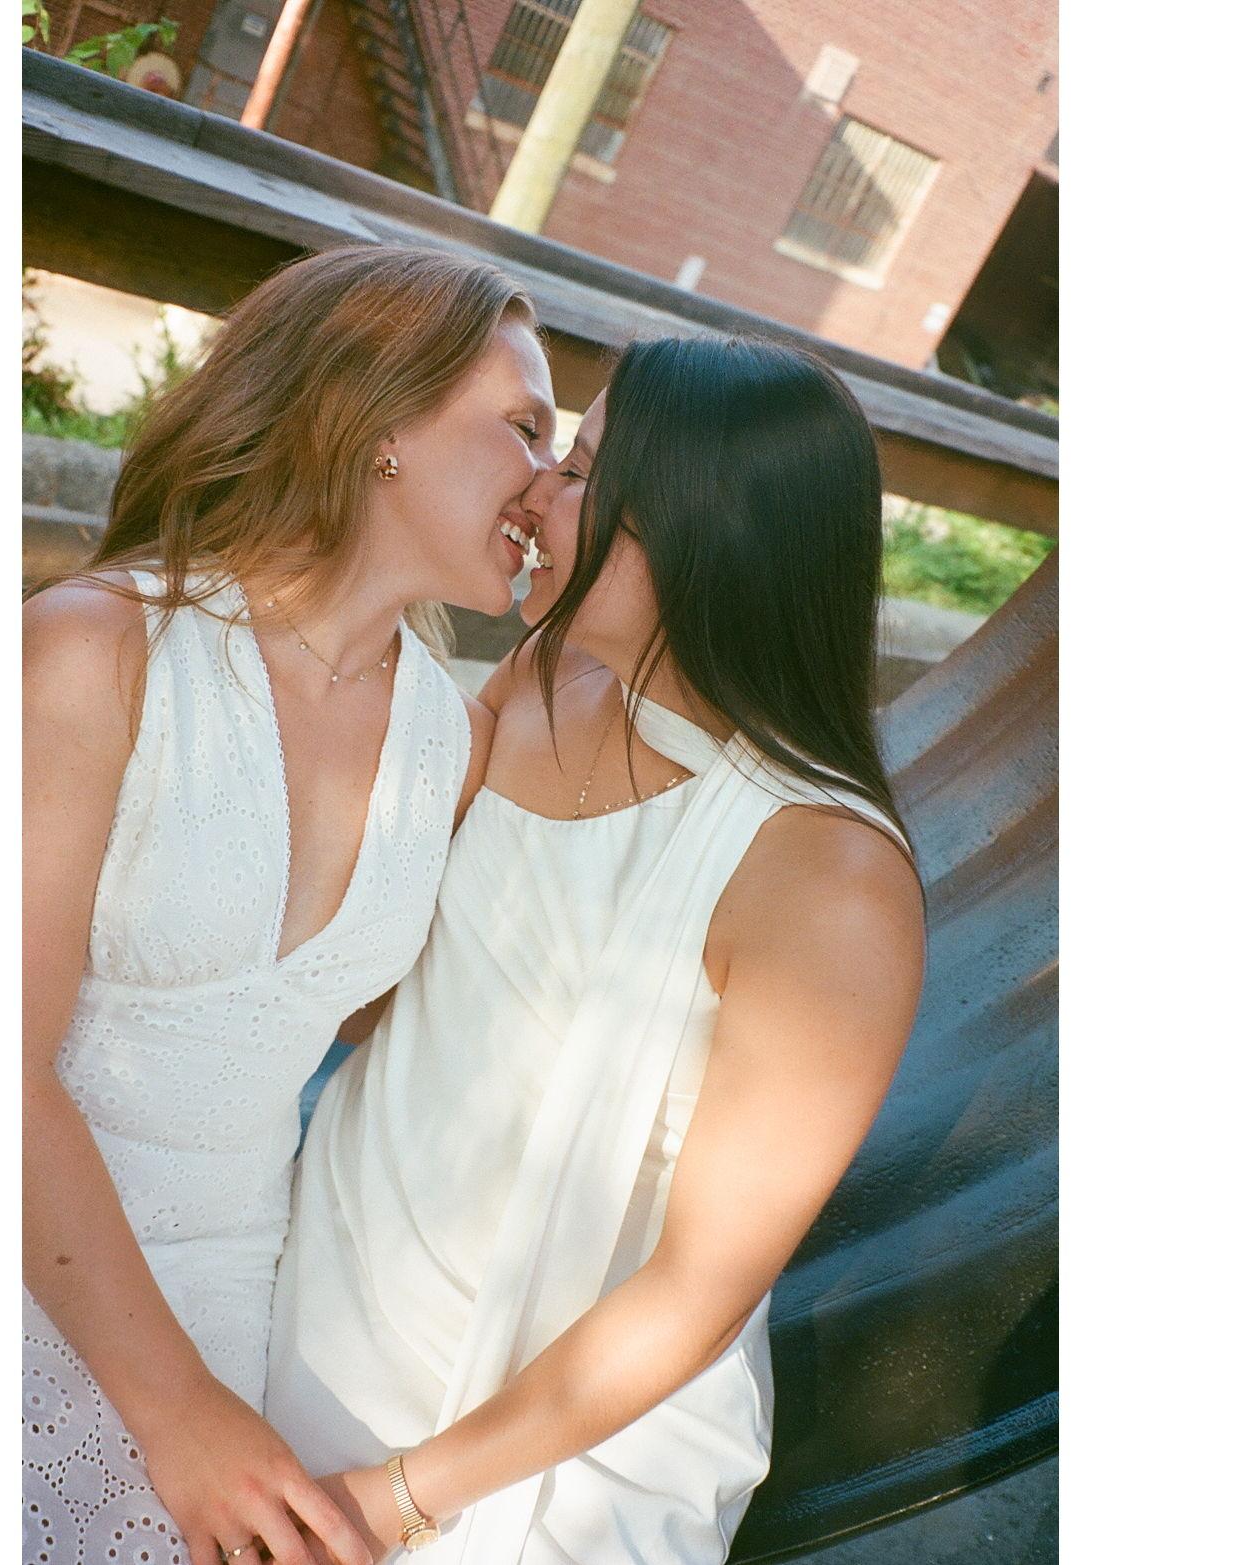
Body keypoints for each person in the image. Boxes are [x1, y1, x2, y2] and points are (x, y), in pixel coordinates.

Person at [263, 335, 928, 1563]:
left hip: (544, 1448)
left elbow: (696, 1288)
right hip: (320, 1294)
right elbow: (365, 989)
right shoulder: (537, 674)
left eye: (574, 469)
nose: (532, 493)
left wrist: (392, 1499)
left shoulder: (827, 879)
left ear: (692, 525)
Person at [23, 244, 555, 1565]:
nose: (548, 481)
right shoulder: (100, 649)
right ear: (380, 422)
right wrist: (177, 1415)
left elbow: (384, 1039)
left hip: (240, 1315)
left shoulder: (453, 742)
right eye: (524, 426)